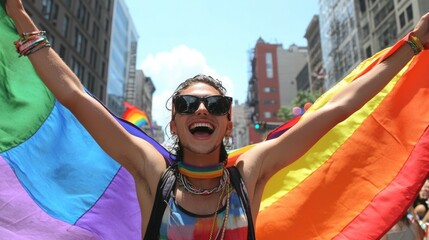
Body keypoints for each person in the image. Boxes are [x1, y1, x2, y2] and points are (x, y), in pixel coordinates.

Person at [4, 0, 429, 239]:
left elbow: (338, 109)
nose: (201, 110)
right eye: (187, 105)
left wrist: (412, 44)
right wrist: (22, 18)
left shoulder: (250, 171)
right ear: (174, 123)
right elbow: (76, 98)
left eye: (215, 106)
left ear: (228, 122)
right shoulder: (153, 173)